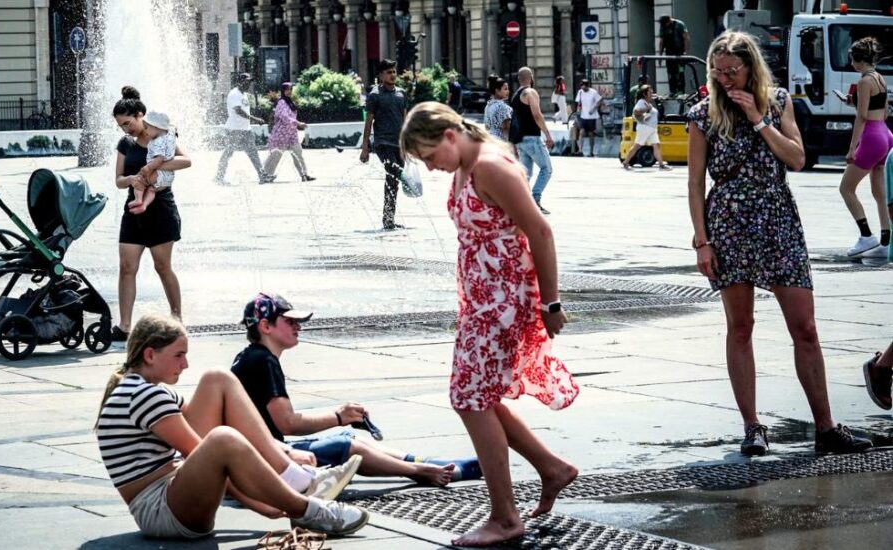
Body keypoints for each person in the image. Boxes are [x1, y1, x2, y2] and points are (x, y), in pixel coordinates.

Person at [400, 103, 580, 547]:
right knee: (478, 395)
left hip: (504, 299)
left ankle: (505, 516)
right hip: (482, 299)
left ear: (448, 135)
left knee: (469, 397)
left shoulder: (491, 166)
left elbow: (540, 231)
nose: (431, 167)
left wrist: (551, 304)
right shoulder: (467, 162)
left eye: (428, 156)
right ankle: (552, 469)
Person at [686, 31, 872, 457]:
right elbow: (695, 183)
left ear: (751, 67)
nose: (725, 79)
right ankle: (752, 427)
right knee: (741, 326)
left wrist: (757, 119)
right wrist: (702, 241)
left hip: (777, 217)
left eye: (733, 70)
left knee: (804, 326)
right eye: (718, 71)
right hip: (728, 221)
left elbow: (796, 158)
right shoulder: (702, 114)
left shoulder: (779, 102)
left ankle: (825, 427)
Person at [95, 314, 369, 539]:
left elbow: (218, 416)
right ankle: (307, 509)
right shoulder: (144, 396)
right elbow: (204, 453)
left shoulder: (141, 389)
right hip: (162, 512)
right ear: (151, 355)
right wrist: (260, 504)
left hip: (171, 497)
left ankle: (295, 477)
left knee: (218, 379)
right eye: (179, 355)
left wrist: (282, 450)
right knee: (223, 439)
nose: (186, 364)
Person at [230, 292, 483, 488]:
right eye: (290, 321)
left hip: (264, 452)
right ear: (265, 326)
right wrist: (340, 417)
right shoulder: (263, 361)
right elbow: (288, 423)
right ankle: (423, 472)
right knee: (348, 447)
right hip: (266, 459)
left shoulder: (252, 357)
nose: (298, 326)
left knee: (353, 441)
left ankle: (425, 462)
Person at [111, 86, 192, 338]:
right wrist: (133, 178)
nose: (126, 129)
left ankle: (177, 318)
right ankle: (124, 325)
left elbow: (186, 161)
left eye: (127, 123)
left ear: (140, 115)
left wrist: (154, 165)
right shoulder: (125, 144)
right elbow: (119, 180)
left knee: (162, 266)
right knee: (126, 267)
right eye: (121, 126)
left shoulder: (163, 137)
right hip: (133, 210)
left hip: (161, 209)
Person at [837, 37, 892, 260]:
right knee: (880, 193)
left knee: (846, 189)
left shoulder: (863, 82)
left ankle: (866, 236)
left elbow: (861, 116)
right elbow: (883, 109)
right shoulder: (880, 78)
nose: (851, 64)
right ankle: (887, 242)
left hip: (871, 136)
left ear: (858, 60)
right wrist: (854, 101)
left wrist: (852, 148)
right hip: (886, 134)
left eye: (851, 59)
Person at [360, 59, 408, 230]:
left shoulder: (401, 93)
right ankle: (387, 219)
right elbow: (369, 121)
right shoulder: (375, 95)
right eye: (388, 72)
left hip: (398, 143)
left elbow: (405, 120)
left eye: (394, 71)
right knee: (393, 172)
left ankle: (389, 218)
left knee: (394, 179)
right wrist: (365, 147)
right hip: (382, 143)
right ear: (380, 75)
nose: (392, 75)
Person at [509, 67, 556, 214]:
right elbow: (537, 115)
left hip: (520, 140)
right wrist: (547, 135)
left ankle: (517, 201)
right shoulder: (530, 92)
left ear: (519, 79)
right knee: (546, 169)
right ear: (531, 77)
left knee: (526, 174)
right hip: (532, 138)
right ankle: (534, 199)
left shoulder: (515, 95)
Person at [214, 74, 275, 186]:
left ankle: (262, 175)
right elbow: (238, 111)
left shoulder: (244, 95)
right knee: (228, 153)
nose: (249, 84)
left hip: (245, 129)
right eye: (247, 82)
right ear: (240, 82)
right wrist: (255, 119)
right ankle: (219, 177)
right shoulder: (234, 94)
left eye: (250, 82)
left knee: (253, 153)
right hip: (234, 130)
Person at [263, 82, 315, 182]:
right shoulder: (281, 102)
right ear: (283, 91)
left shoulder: (290, 102)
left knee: (298, 154)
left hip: (292, 134)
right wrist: (298, 123)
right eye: (287, 89)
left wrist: (296, 124)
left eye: (290, 89)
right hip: (281, 135)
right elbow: (284, 117)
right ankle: (266, 175)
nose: (289, 91)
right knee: (276, 155)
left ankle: (304, 175)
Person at [128, 110, 176, 215]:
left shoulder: (157, 142)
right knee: (151, 190)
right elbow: (171, 128)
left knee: (139, 181)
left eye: (146, 128)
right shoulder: (168, 136)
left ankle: (138, 200)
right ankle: (144, 205)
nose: (145, 131)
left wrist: (148, 168)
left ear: (157, 127)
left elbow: (159, 159)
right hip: (168, 176)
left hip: (158, 173)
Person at [622, 85, 672, 171]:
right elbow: (636, 111)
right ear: (645, 94)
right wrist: (647, 110)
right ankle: (626, 162)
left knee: (656, 145)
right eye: (650, 92)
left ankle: (661, 164)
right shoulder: (641, 102)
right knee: (637, 146)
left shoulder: (647, 103)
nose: (651, 93)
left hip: (651, 129)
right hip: (644, 127)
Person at [659, 15, 690, 93]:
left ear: (669, 20)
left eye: (666, 23)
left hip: (679, 52)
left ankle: (681, 90)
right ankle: (672, 91)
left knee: (680, 71)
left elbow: (686, 38)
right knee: (671, 72)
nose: (665, 25)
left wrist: (685, 52)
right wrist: (660, 55)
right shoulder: (663, 27)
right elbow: (662, 42)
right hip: (669, 52)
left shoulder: (679, 25)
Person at [574, 80, 603, 157]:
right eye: (582, 87)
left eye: (584, 87)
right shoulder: (580, 92)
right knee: (581, 132)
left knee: (591, 134)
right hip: (583, 116)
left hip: (591, 116)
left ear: (587, 86)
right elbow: (578, 103)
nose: (583, 89)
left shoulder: (593, 92)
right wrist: (578, 110)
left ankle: (591, 151)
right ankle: (580, 150)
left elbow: (599, 101)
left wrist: (593, 108)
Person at [483, 75, 512, 141]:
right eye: (505, 89)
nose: (508, 91)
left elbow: (487, 127)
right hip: (500, 141)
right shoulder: (502, 106)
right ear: (497, 90)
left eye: (508, 89)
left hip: (490, 140)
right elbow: (506, 128)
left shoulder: (488, 106)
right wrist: (509, 145)